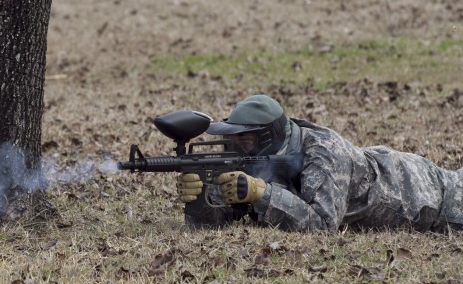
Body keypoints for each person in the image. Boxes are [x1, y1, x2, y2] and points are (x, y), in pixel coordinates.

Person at [177, 94, 463, 231]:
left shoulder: (324, 152)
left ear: (269, 136)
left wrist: (262, 193)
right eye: (235, 138)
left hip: (431, 198)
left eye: (245, 139)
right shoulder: (254, 157)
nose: (237, 145)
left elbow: (323, 226)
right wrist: (201, 198)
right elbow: (211, 225)